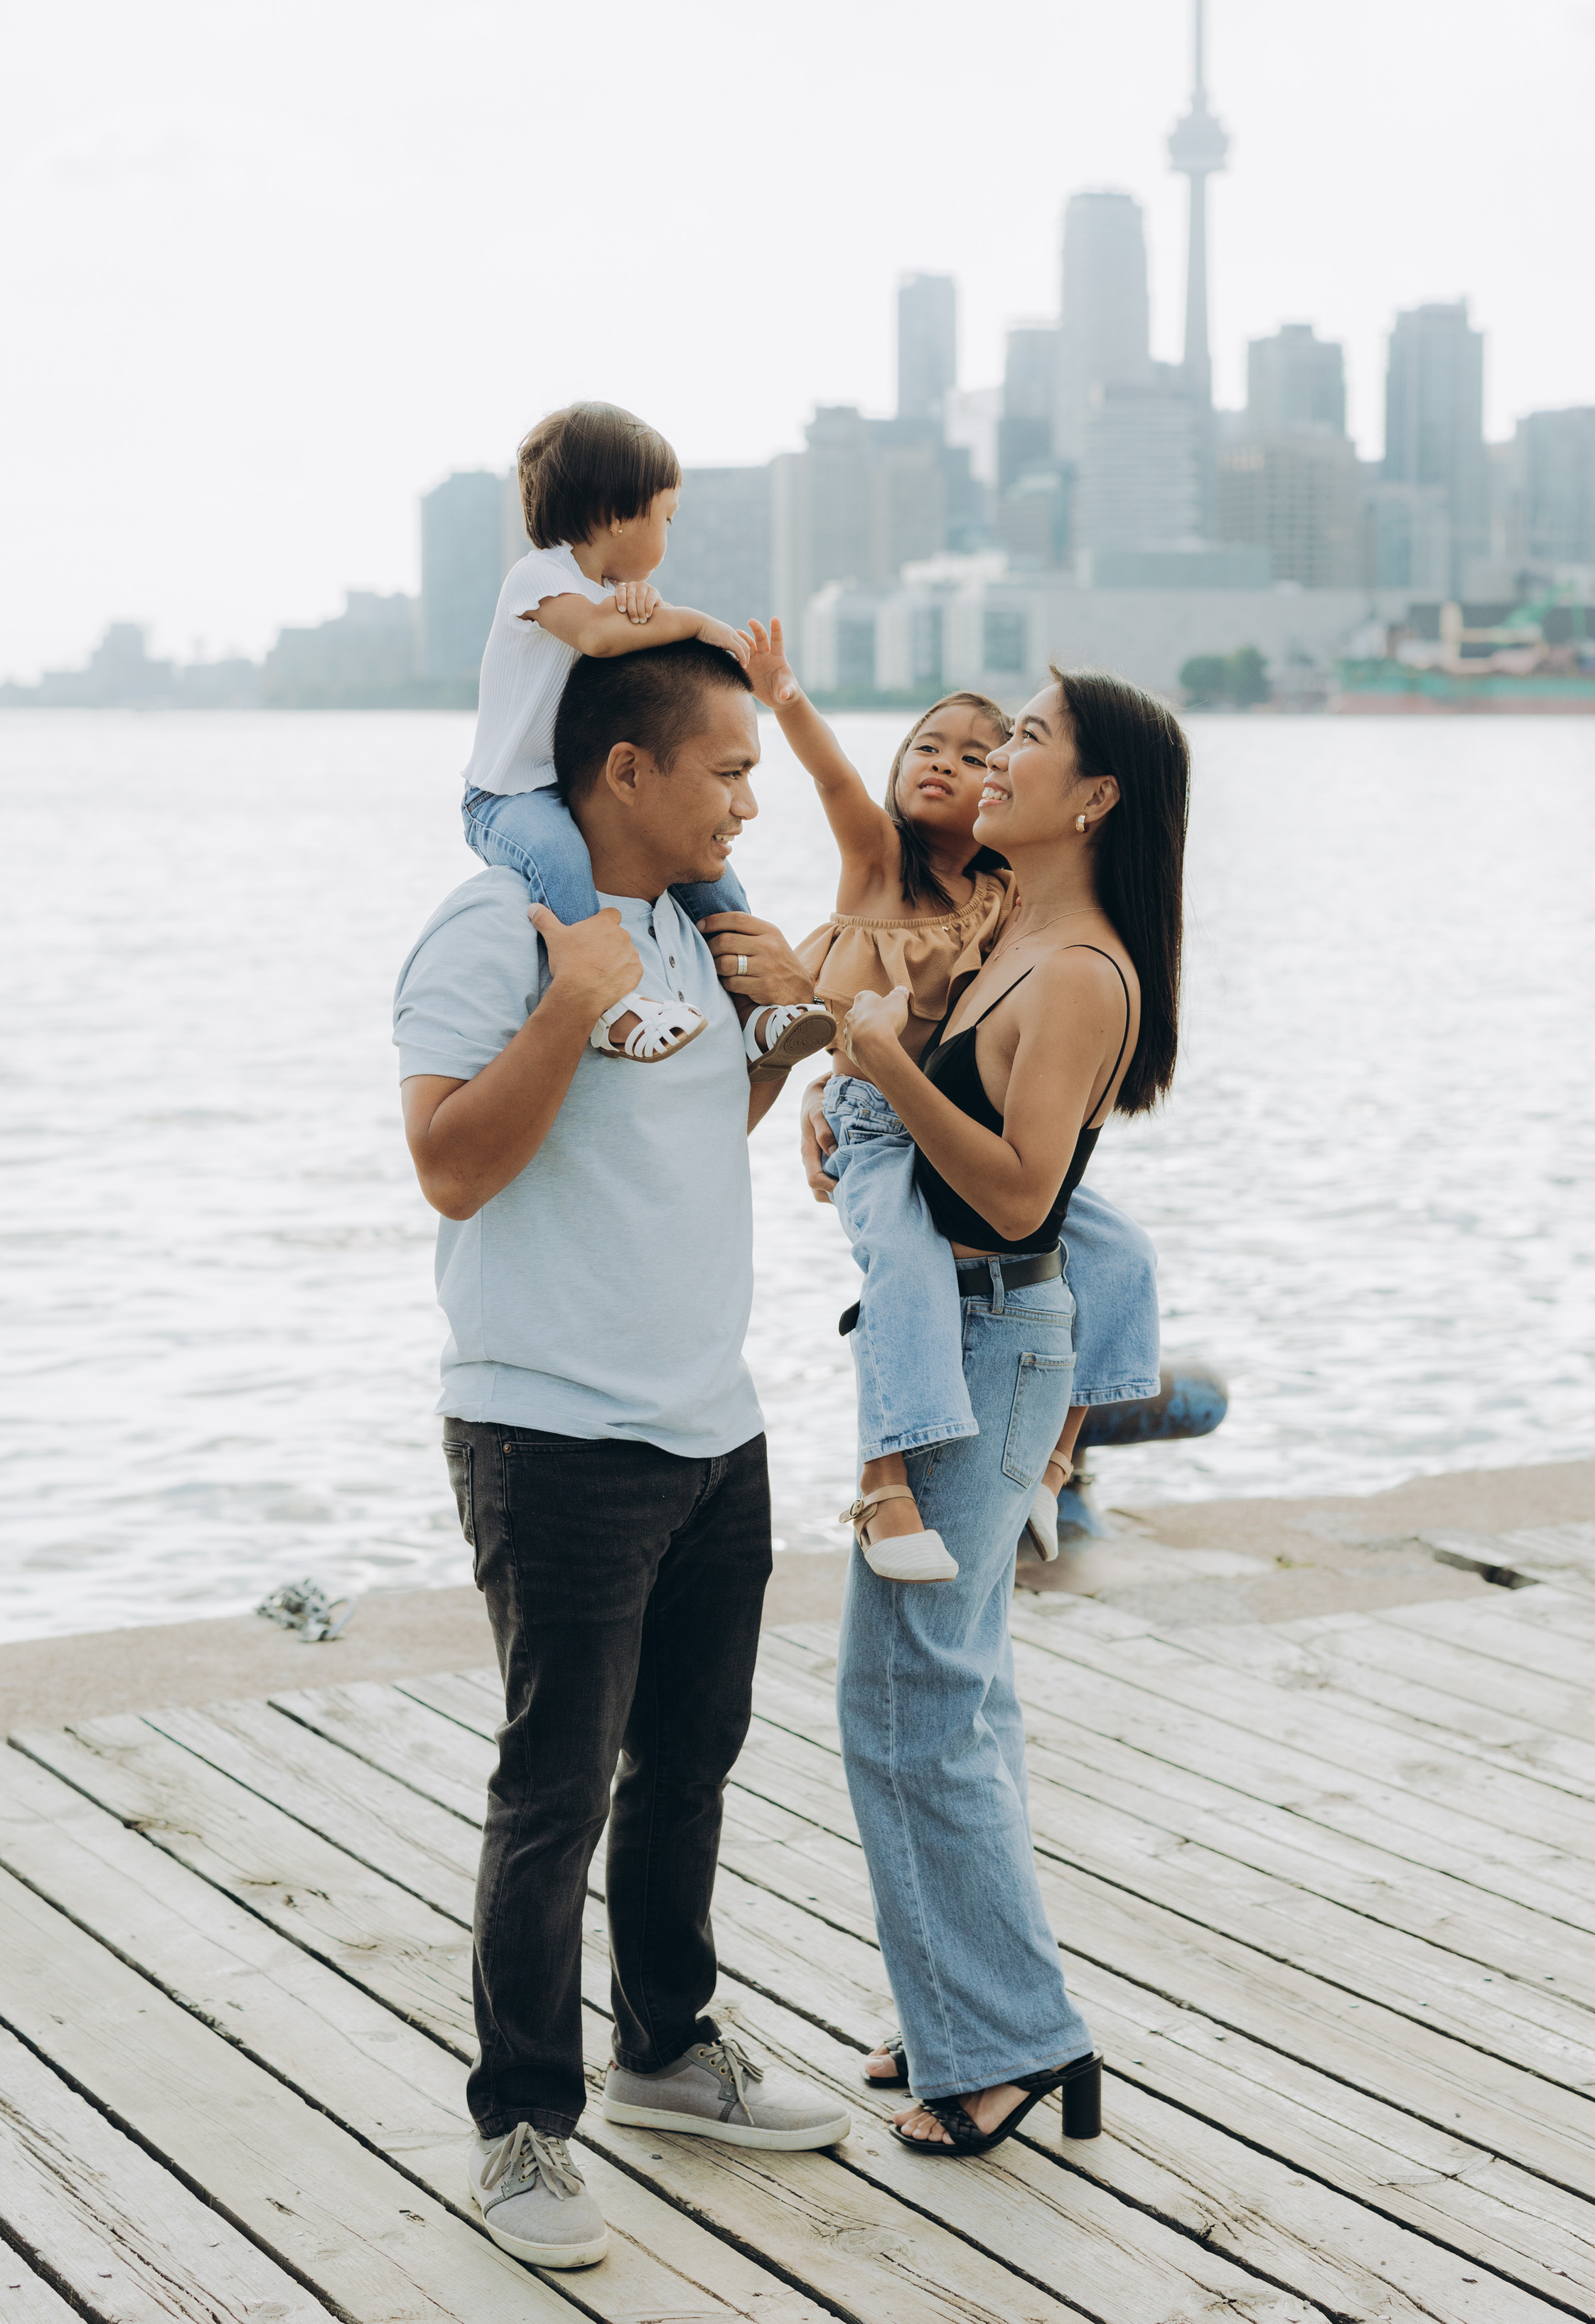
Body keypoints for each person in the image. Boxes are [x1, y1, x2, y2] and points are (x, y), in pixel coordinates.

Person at [395, 636, 850, 2274]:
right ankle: (521, 2122)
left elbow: (666, 1124)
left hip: (709, 1420)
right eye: (727, 767)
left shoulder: (682, 924)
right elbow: (452, 1164)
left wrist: (781, 1040)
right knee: (555, 1784)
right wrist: (565, 1007)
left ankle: (666, 2046)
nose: (748, 794)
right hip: (552, 1431)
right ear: (625, 773)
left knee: (689, 1756)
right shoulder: (497, 931)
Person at [812, 665, 1190, 2155]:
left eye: (1030, 738)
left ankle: (1007, 2037)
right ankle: (962, 2012)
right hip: (966, 1340)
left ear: (1091, 797)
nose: (999, 754)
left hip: (990, 1346)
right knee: (938, 1694)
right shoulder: (1011, 932)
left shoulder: (1083, 969)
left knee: (908, 1701)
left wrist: (891, 1068)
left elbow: (1025, 1193)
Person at [738, 622, 1162, 1575]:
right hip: (876, 1116)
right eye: (927, 746)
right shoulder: (880, 864)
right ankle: (884, 1482)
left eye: (981, 754)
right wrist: (784, 694)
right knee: (904, 1265)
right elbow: (834, 778)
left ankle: (1061, 1462)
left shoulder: (1012, 899)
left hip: (946, 1120)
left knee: (1117, 1252)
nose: (948, 765)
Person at [461, 399, 832, 1076]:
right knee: (562, 861)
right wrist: (690, 622)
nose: (669, 533)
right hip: (508, 798)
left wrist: (658, 612)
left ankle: (758, 1013)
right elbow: (600, 637)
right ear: (617, 514)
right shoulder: (540, 573)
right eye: (667, 516)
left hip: (571, 789)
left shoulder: (612, 589)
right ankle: (613, 1006)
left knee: (715, 884)